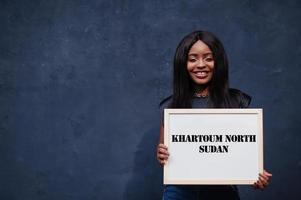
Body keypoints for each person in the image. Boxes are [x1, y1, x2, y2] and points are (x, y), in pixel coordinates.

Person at [156, 30, 272, 200]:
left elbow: (243, 151)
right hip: (179, 192)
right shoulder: (171, 106)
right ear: (183, 63)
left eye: (208, 58)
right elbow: (164, 155)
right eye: (193, 59)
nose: (201, 64)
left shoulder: (236, 101)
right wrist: (161, 155)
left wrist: (254, 173)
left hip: (222, 192)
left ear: (218, 63)